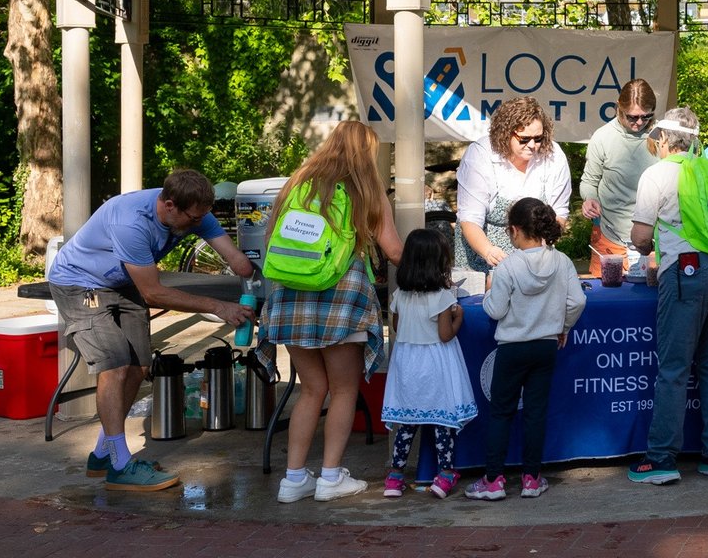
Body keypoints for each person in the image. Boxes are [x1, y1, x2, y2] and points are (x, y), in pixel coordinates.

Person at [46, 168, 257, 491]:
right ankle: (120, 465)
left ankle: (104, 453)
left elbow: (236, 260)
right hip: (80, 284)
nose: (197, 224)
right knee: (115, 366)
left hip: (122, 282)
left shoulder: (196, 212)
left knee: (139, 367)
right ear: (170, 205)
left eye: (202, 217)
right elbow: (154, 293)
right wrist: (218, 306)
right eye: (192, 218)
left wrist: (258, 271)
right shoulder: (130, 221)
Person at [264, 120, 405, 503]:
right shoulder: (367, 192)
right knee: (343, 389)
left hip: (290, 299)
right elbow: (393, 251)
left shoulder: (296, 185)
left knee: (311, 389)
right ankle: (329, 478)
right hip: (342, 300)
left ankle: (293, 480)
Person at [627, 108, 708, 484]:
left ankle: (661, 459)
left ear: (661, 139)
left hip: (685, 273)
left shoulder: (657, 173)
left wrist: (648, 251)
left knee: (674, 369)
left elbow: (642, 237)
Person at [471, 199, 587, 501]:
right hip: (546, 346)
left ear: (515, 230)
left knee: (501, 412)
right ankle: (532, 478)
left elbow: (495, 310)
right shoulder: (562, 262)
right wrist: (563, 326)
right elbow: (578, 302)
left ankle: (494, 480)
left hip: (512, 348)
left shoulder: (508, 266)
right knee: (536, 413)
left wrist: (486, 294)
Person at [380, 228, 477, 500]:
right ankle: (445, 475)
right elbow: (445, 335)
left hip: (407, 365)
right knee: (440, 422)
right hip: (435, 365)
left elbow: (397, 327)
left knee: (407, 423)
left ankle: (395, 477)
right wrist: (460, 315)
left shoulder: (400, 295)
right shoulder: (443, 297)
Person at [456, 96, 573, 273]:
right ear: (505, 133)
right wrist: (489, 252)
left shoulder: (554, 155)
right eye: (524, 139)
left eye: (538, 138)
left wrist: (539, 250)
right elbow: (470, 220)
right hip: (483, 255)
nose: (532, 145)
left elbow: (559, 214)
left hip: (536, 258)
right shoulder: (480, 155)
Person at [579, 79, 659, 278]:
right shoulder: (603, 137)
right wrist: (589, 199)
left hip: (653, 239)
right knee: (607, 301)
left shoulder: (661, 138)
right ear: (618, 108)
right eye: (632, 117)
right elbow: (589, 181)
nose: (639, 123)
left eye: (646, 117)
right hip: (609, 237)